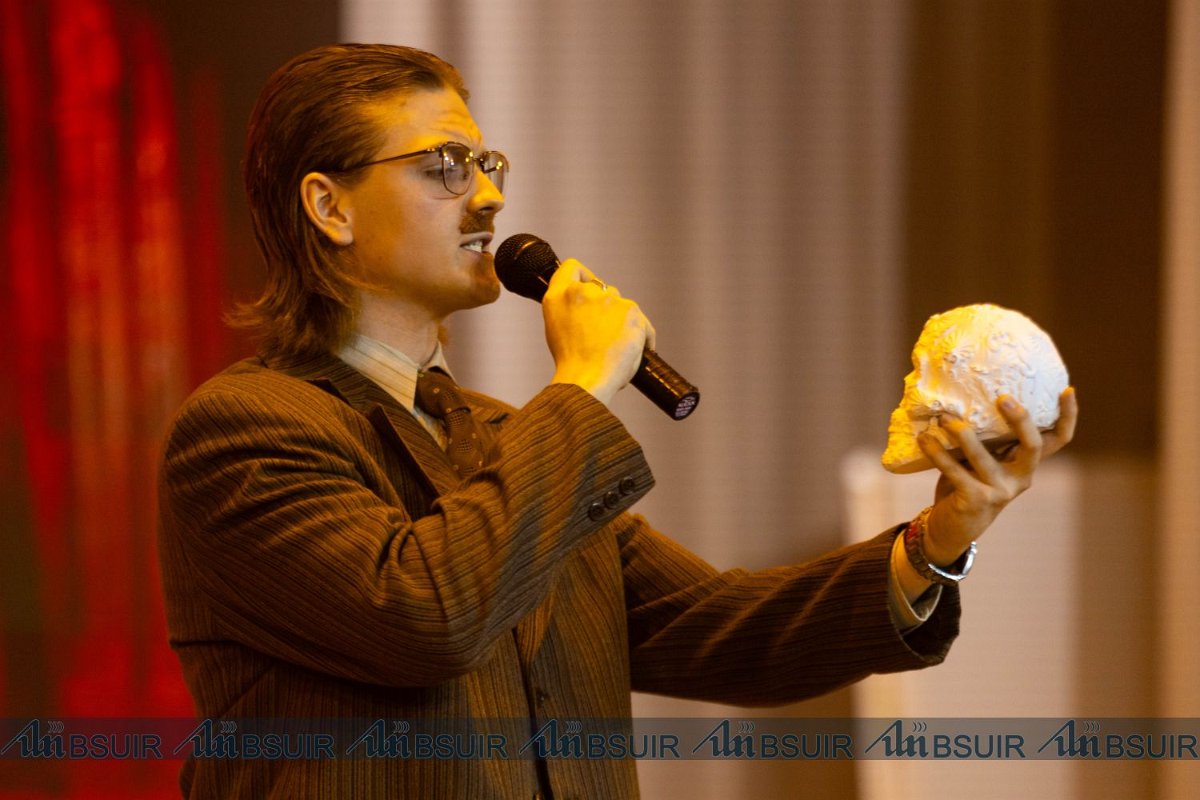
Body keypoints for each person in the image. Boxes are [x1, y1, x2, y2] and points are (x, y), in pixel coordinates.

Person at [157, 43, 1077, 799]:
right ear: (329, 207)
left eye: (487, 164)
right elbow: (427, 617)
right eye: (445, 167)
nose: (489, 196)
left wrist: (941, 537)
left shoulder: (503, 439)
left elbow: (725, 631)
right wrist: (583, 383)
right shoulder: (246, 430)